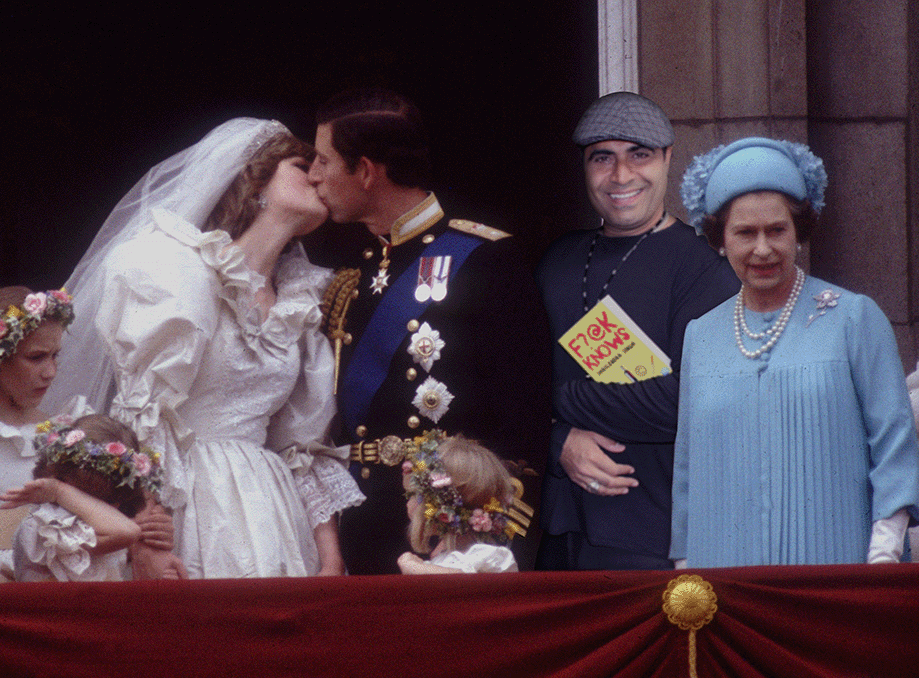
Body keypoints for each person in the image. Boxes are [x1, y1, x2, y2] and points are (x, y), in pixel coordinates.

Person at [47, 117, 364, 579]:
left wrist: (330, 556)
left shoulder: (303, 300)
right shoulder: (180, 270)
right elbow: (145, 413)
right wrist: (148, 537)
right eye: (302, 165)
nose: (318, 175)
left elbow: (303, 444)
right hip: (185, 498)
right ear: (255, 180)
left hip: (270, 508)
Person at [309, 88, 551, 573]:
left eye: (322, 160)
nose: (314, 176)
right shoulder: (349, 275)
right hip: (358, 525)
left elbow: (523, 421)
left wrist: (485, 531)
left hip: (444, 532)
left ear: (364, 171)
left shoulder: (485, 260)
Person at [671, 137, 919, 567]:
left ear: (799, 231)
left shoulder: (854, 319)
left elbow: (894, 444)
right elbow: (688, 470)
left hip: (835, 565)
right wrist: (684, 566)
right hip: (723, 573)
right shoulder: (701, 334)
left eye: (777, 230)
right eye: (745, 233)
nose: (763, 249)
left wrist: (884, 551)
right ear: (719, 239)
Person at [535, 92, 739, 570]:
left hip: (650, 532)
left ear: (669, 158)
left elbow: (685, 402)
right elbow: (505, 385)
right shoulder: (556, 260)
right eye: (602, 158)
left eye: (639, 155)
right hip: (552, 526)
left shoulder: (704, 268)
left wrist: (557, 401)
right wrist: (558, 439)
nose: (621, 176)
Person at [0, 286, 179, 583]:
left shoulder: (72, 431)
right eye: (36, 358)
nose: (50, 372)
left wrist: (146, 522)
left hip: (60, 576)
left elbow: (117, 510)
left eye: (55, 356)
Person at [1, 414, 161, 582]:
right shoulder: (51, 526)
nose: (116, 506)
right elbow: (129, 532)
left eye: (118, 498)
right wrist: (58, 491)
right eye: (104, 500)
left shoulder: (100, 525)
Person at [397, 432, 519, 574]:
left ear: (439, 505)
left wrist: (412, 566)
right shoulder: (442, 560)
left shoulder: (488, 556)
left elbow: (462, 582)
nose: (407, 503)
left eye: (413, 495)